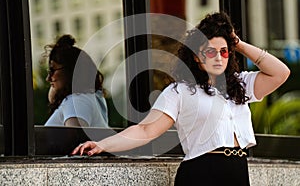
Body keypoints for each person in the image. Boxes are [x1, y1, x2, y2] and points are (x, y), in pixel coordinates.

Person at [71, 12, 290, 185]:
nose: (218, 57)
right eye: (210, 52)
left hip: (238, 171)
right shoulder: (180, 91)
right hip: (201, 173)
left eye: (224, 52)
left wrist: (238, 43)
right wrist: (102, 144)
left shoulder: (240, 85)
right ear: (196, 56)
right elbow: (146, 130)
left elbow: (280, 73)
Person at [44, 34, 109, 128]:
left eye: (52, 70)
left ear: (70, 70)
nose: (48, 78)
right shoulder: (91, 98)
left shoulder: (75, 101)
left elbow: (75, 139)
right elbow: (52, 97)